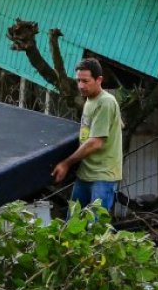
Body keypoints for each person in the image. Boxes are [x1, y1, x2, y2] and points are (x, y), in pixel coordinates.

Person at [52, 58, 123, 214]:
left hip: (102, 176)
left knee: (95, 227)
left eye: (85, 81)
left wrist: (66, 163)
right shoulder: (90, 100)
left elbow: (95, 142)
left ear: (99, 80)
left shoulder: (106, 102)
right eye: (78, 80)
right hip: (85, 173)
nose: (81, 86)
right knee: (72, 224)